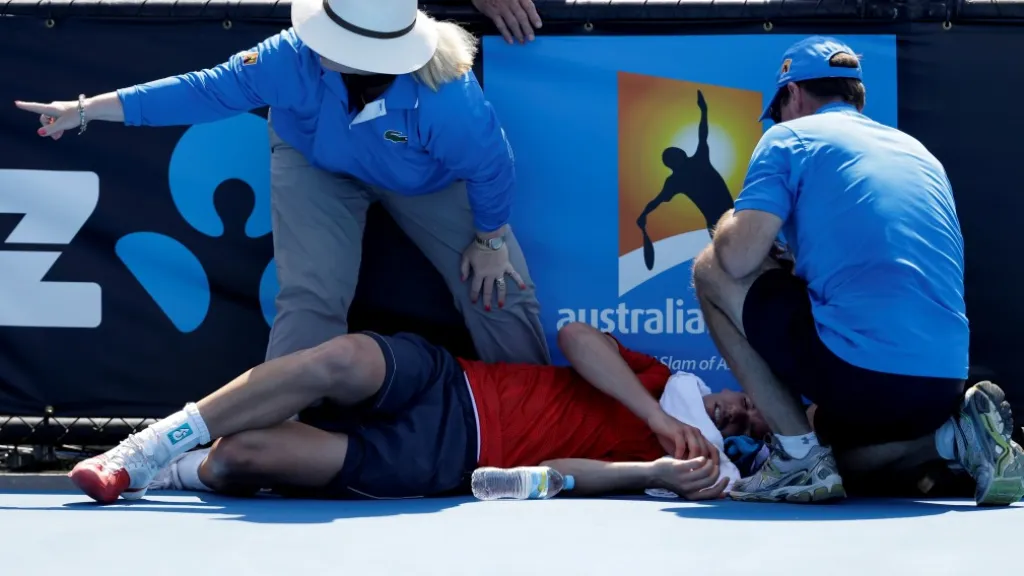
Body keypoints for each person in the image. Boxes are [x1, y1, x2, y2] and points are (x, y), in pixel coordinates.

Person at [14, 0, 551, 366]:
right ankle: (278, 438)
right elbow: (204, 91)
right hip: (315, 162)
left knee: (498, 289)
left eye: (332, 35)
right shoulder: (290, 55)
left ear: (370, 56)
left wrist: (489, 240)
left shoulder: (447, 97)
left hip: (427, 180)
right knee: (310, 297)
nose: (311, 36)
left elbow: (491, 167)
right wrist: (84, 111)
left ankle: (537, 420)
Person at [691, 35, 1024, 506]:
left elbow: (737, 259)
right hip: (943, 383)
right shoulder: (917, 151)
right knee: (833, 453)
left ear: (793, 95)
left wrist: (726, 220)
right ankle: (954, 439)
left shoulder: (787, 136)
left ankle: (797, 461)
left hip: (862, 375)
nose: (780, 118)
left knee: (708, 269)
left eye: (780, 107)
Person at [67, 322, 771, 504]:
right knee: (340, 357)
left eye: (744, 426)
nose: (738, 410)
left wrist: (650, 466)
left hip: (439, 462)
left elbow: (551, 472)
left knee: (246, 458)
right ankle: (148, 448)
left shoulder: (680, 472)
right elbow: (576, 339)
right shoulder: (659, 382)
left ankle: (176, 471)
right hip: (451, 382)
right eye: (748, 400)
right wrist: (651, 413)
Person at [636, 90, 734, 270]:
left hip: (730, 218)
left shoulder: (682, 174)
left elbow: (702, 133)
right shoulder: (686, 171)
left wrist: (643, 215)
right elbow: (656, 201)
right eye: (674, 153)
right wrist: (703, 111)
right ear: (673, 162)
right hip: (723, 222)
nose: (678, 152)